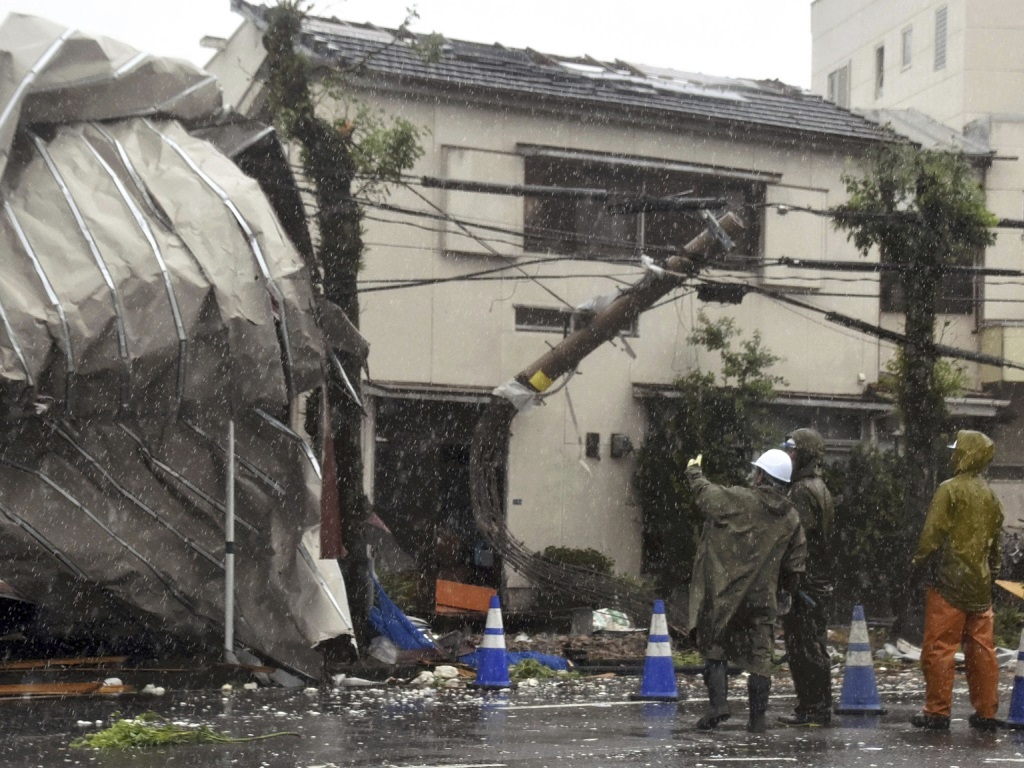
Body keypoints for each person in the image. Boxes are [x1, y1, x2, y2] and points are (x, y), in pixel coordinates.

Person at [686, 449, 807, 733]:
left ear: (762, 476)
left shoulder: (741, 499)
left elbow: (707, 497)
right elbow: (795, 562)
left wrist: (694, 473)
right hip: (763, 596)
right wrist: (787, 591)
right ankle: (757, 719)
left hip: (727, 590)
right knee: (760, 655)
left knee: (715, 644)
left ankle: (718, 705)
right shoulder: (791, 517)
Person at [910, 430, 1004, 731]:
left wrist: (917, 564)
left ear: (965, 454)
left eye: (956, 450)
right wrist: (992, 574)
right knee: (982, 651)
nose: (952, 455)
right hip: (980, 584)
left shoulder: (948, 489)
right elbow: (995, 543)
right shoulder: (990, 496)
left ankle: (937, 711)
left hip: (948, 580)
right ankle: (986, 712)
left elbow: (932, 534)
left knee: (940, 647)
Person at [777, 429, 836, 727]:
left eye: (793, 450)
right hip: (817, 578)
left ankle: (813, 708)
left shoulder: (801, 490)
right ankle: (817, 706)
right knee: (812, 642)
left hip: (805, 581)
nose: (788, 456)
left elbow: (797, 537)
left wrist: (791, 577)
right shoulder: (819, 486)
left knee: (803, 645)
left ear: (805, 455)